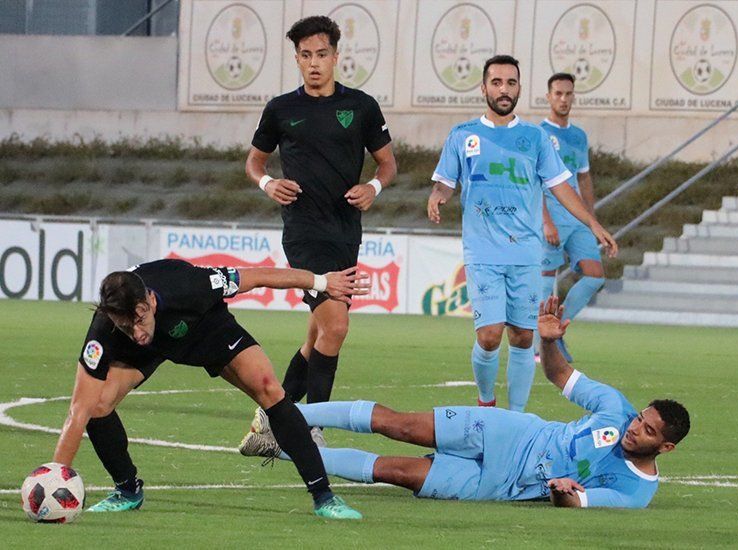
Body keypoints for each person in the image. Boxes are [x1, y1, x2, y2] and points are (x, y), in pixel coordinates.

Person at [239, 296, 690, 508]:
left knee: (392, 471)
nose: (635, 428)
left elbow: (578, 504)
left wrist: (563, 493)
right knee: (398, 424)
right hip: (511, 432)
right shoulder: (616, 409)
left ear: (666, 448)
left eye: (648, 431)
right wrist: (549, 342)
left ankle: (276, 446)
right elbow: (557, 374)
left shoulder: (635, 492)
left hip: (501, 485)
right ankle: (281, 412)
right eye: (641, 419)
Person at [53, 259, 369, 519]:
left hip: (205, 330)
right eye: (125, 326)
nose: (135, 331)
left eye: (138, 319)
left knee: (269, 389)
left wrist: (322, 282)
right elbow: (78, 408)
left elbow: (258, 276)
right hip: (149, 352)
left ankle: (323, 496)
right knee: (97, 405)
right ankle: (127, 489)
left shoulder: (189, 284)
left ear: (149, 299)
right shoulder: (106, 328)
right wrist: (57, 475)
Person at [426, 54, 617, 412]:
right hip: (483, 251)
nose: (503, 89)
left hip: (526, 253)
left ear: (519, 89)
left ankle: (515, 418)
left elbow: (562, 187)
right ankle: (486, 402)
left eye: (511, 83)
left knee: (523, 336)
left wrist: (593, 223)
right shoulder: (463, 135)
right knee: (489, 335)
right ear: (483, 87)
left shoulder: (534, 138)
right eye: (496, 83)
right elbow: (445, 183)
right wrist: (438, 196)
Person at [245, 15, 397, 441]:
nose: (314, 63)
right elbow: (253, 162)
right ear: (296, 58)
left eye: (322, 54)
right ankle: (313, 426)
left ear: (336, 56)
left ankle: (273, 419)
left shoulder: (362, 106)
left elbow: (388, 163)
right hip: (304, 233)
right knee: (336, 327)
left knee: (317, 334)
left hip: (347, 232)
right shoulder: (280, 109)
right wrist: (267, 182)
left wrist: (373, 187)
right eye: (306, 55)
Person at [536, 72, 606, 362]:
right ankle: (538, 344)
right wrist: (545, 221)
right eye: (558, 94)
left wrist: (592, 221)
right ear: (549, 97)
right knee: (544, 282)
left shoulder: (579, 136)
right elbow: (534, 182)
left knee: (595, 276)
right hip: (551, 218)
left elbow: (584, 179)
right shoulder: (538, 134)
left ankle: (557, 330)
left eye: (568, 94)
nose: (563, 99)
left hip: (576, 221)